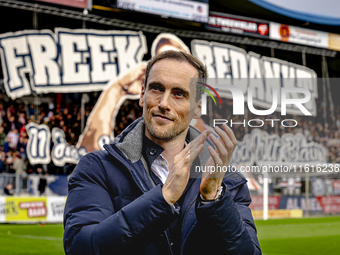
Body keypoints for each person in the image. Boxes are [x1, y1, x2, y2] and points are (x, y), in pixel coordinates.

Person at [63, 50, 261, 255]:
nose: (164, 103)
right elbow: (81, 248)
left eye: (179, 94)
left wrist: (213, 200)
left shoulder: (226, 181)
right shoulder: (96, 168)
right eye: (156, 89)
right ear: (142, 95)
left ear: (197, 108)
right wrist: (164, 197)